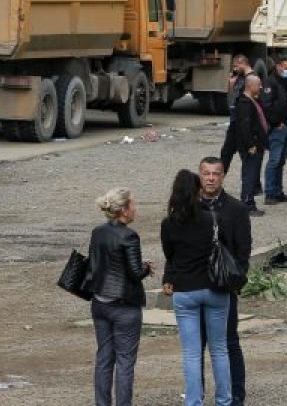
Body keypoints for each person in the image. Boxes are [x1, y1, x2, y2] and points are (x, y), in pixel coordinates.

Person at [160, 167, 240, 406]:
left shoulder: (169, 224)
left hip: (185, 290)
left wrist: (169, 278)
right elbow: (224, 245)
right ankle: (224, 400)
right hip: (214, 287)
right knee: (219, 349)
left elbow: (170, 254)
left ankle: (193, 401)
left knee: (192, 353)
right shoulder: (210, 219)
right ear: (197, 191)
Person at [87, 187, 153, 406]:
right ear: (124, 209)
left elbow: (95, 264)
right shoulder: (129, 236)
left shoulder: (98, 232)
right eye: (133, 204)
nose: (136, 208)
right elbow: (134, 273)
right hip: (124, 306)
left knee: (104, 359)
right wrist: (146, 268)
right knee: (125, 362)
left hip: (100, 302)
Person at [196, 157, 252, 405]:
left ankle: (236, 394)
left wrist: (237, 281)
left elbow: (243, 249)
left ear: (223, 176)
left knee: (229, 342)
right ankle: (196, 394)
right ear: (200, 175)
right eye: (206, 173)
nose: (210, 178)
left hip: (224, 286)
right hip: (195, 284)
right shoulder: (189, 207)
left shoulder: (236, 209)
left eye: (215, 174)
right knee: (195, 347)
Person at [221, 74, 267, 217]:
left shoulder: (252, 101)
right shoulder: (245, 104)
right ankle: (247, 203)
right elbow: (244, 125)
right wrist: (250, 144)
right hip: (251, 146)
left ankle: (248, 202)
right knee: (250, 174)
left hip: (255, 144)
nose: (261, 87)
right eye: (258, 84)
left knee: (251, 173)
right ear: (250, 86)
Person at [261, 56, 287, 206]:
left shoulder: (284, 82)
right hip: (278, 128)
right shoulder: (270, 82)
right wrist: (276, 123)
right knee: (274, 160)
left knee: (281, 161)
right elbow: (266, 105)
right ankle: (270, 193)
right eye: (285, 67)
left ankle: (278, 191)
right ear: (277, 66)